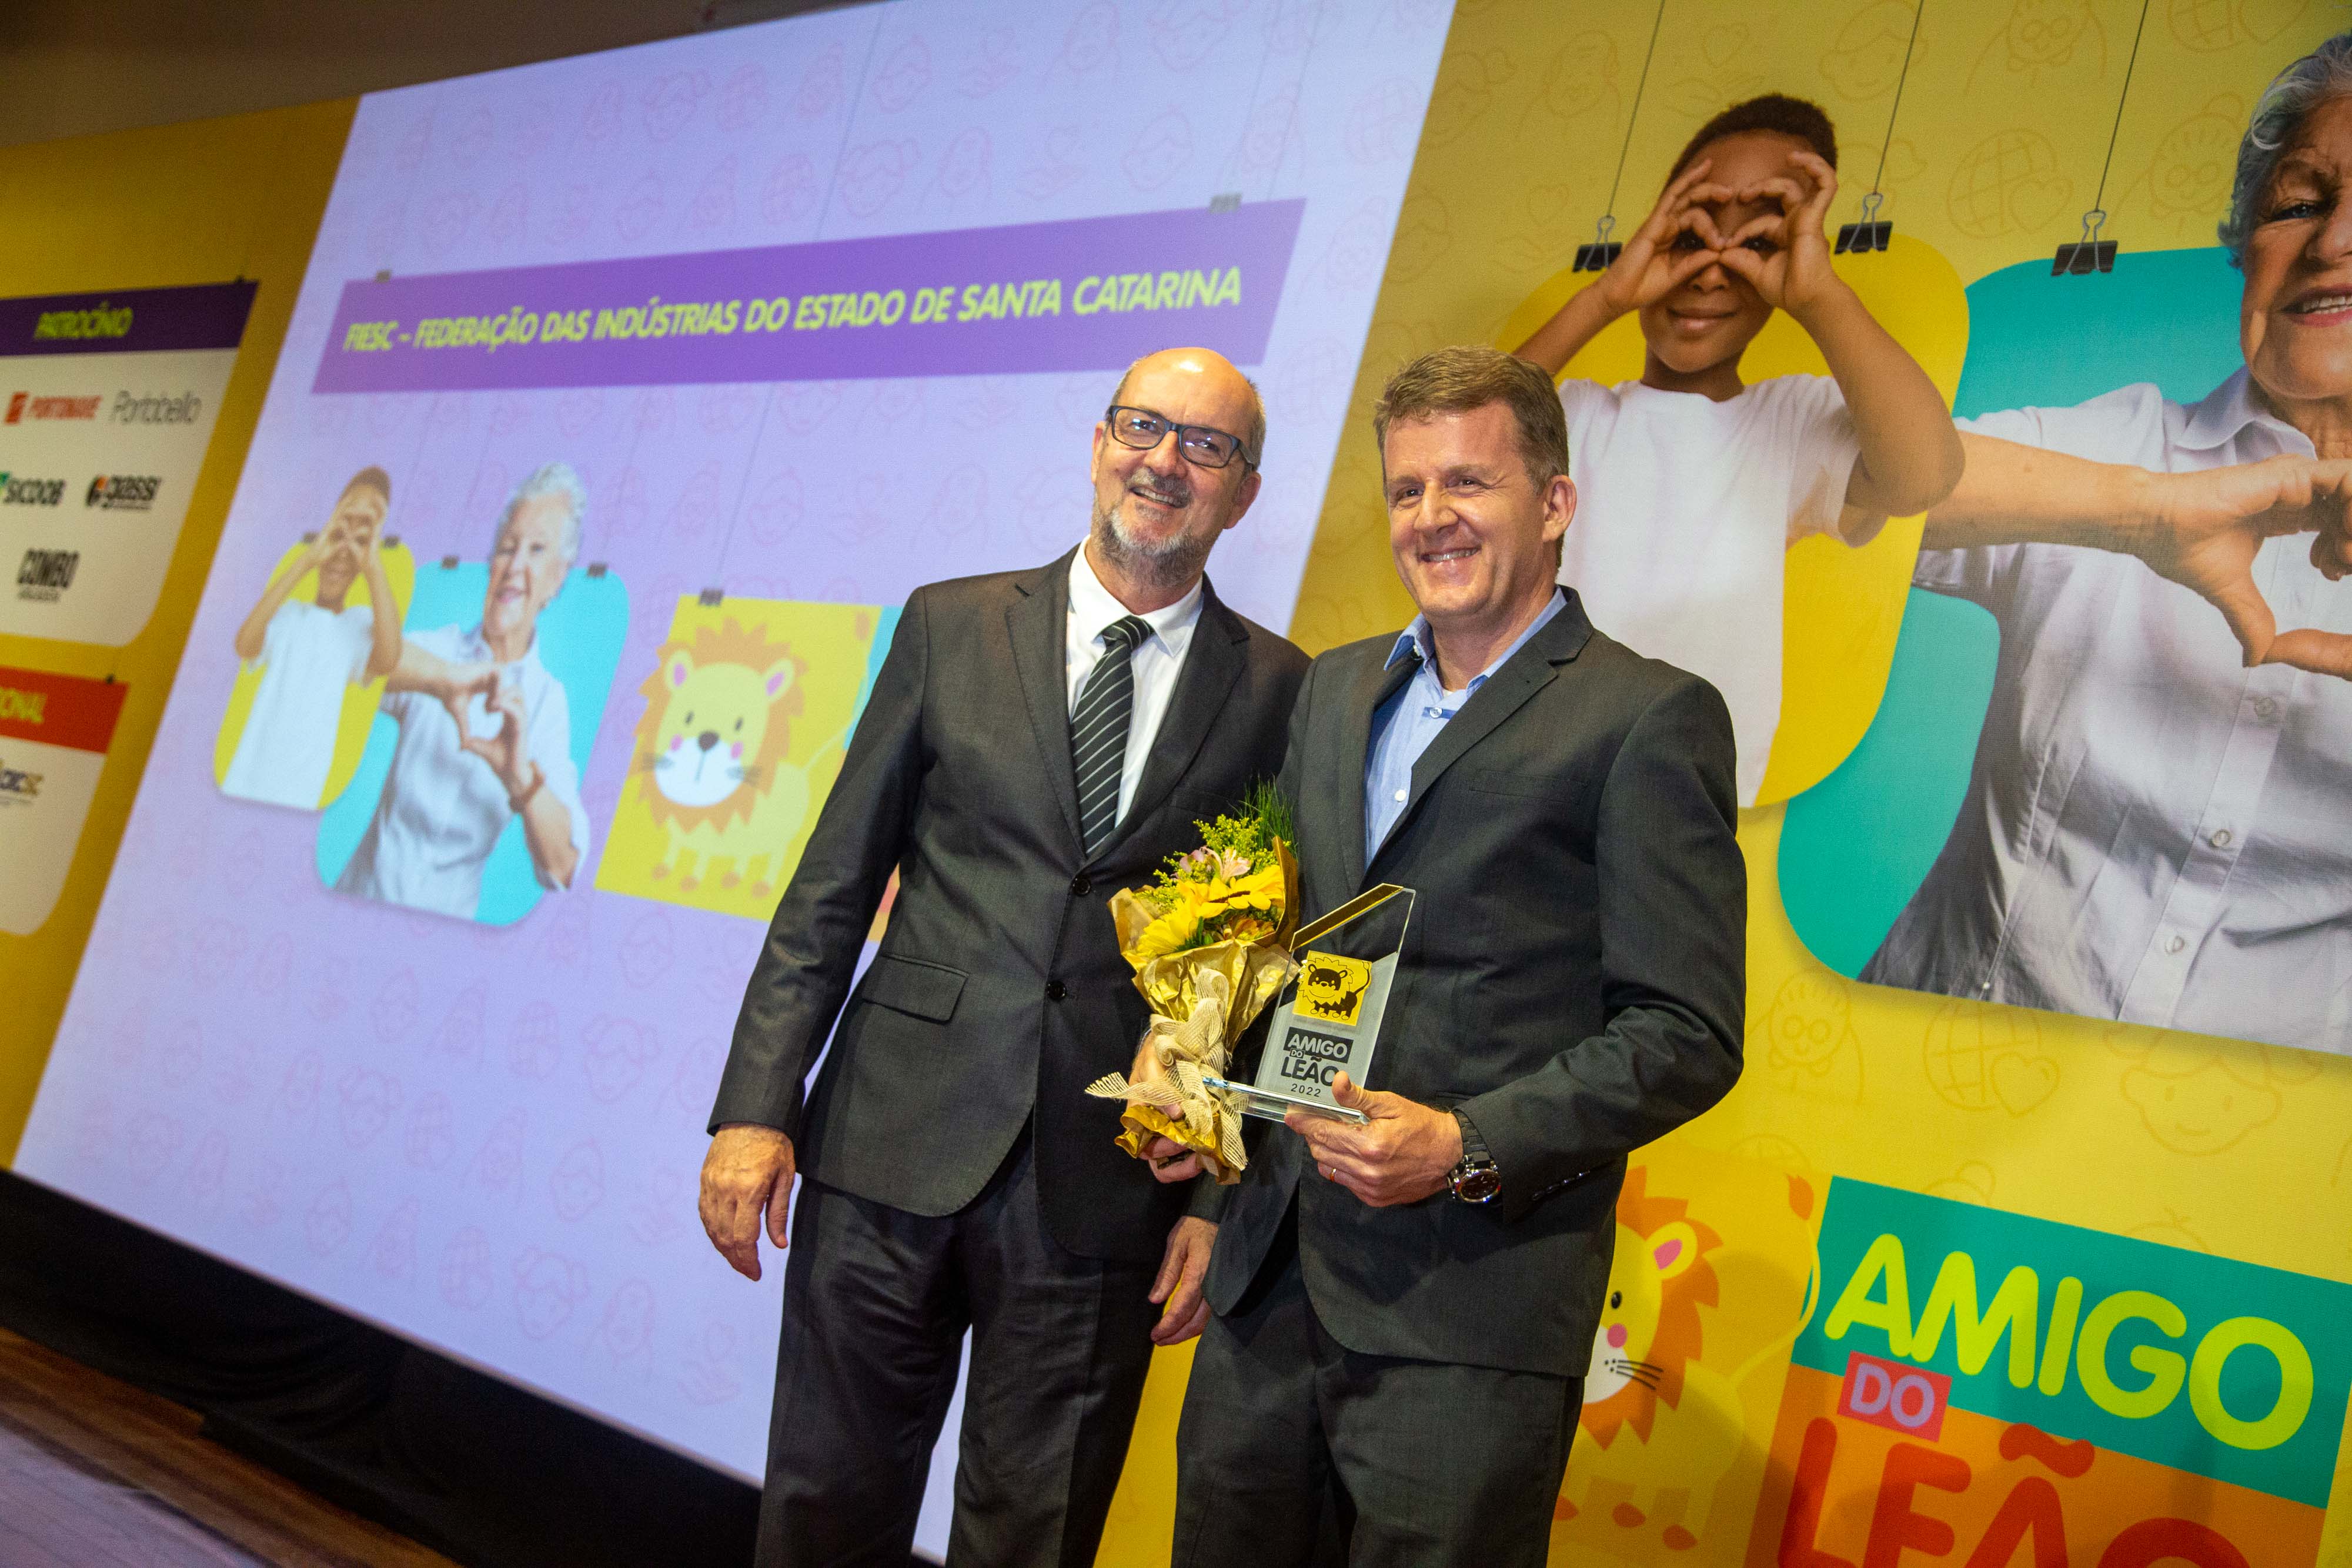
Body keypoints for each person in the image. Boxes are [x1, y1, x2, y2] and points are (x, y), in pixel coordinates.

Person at [699, 347, 1309, 1567]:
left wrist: (1217, 1200)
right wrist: (756, 1106)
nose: (1164, 461)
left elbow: (1256, 963)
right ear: (1097, 445)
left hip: (1107, 1192)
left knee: (1032, 1540)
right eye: (1142, 426)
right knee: (824, 1513)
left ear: (1244, 493)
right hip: (886, 1145)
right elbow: (830, 886)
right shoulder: (950, 623)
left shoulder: (1284, 690)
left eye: (1206, 445)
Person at [1151, 346, 1746, 1565]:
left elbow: (1685, 1032)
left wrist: (1463, 1142)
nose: (1432, 517)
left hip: (1468, 1316)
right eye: (1408, 489)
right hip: (1267, 1293)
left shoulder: (1647, 716)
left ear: (1556, 502)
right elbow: (1283, 950)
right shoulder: (1332, 689)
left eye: (1468, 482)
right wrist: (1211, 1152)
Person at [1862, 34, 2352, 1053]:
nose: (2333, 241)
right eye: (2299, 204)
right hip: (1924, 1077)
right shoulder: (2119, 446)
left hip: (2249, 1132)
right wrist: (2145, 513)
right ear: (2246, 243)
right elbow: (1816, 482)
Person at [1513, 94, 1962, 804]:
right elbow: (1455, 443)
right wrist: (1604, 298)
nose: (1710, 271)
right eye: (1689, 236)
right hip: (1523, 778)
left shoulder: (1788, 423)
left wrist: (1818, 295)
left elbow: (1924, 475)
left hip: (1675, 799)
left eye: (1758, 244)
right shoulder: (1571, 415)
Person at [333, 463, 591, 920]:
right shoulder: (439, 650)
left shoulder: (547, 702)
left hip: (440, 938)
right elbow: (345, 646)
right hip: (354, 907)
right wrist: (445, 678)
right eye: (507, 547)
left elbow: (563, 865)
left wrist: (520, 777)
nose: (514, 566)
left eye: (536, 550)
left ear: (557, 579)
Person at [221, 468, 401, 810]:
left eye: (361, 541)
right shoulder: (289, 614)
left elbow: (388, 659)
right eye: (339, 535)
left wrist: (373, 562)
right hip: (245, 780)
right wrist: (306, 559)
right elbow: (245, 645)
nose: (343, 553)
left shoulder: (357, 624)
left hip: (299, 793)